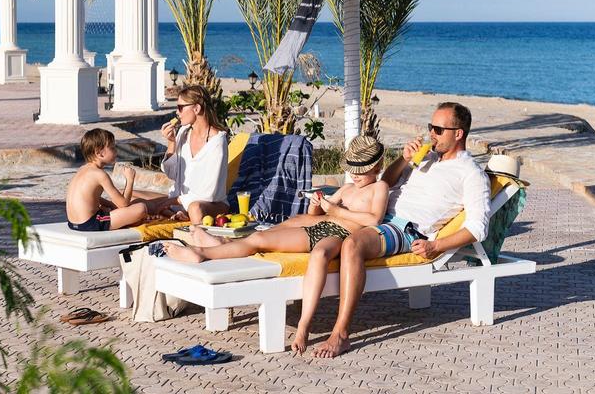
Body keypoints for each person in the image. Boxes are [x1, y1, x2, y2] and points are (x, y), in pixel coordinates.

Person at [163, 135, 389, 355]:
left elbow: (374, 219)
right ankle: (203, 252)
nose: (356, 174)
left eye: (362, 169)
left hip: (341, 234)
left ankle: (304, 326)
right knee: (259, 239)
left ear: (377, 166)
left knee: (320, 254)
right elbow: (318, 213)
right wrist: (317, 204)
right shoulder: (347, 189)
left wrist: (336, 211)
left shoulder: (379, 188)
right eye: (353, 169)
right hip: (319, 226)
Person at [313, 102, 491, 358]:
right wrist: (404, 159)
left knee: (352, 244)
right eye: (431, 127)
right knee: (310, 227)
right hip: (379, 213)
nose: (432, 133)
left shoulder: (471, 174)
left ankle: (340, 334)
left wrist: (436, 246)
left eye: (438, 129)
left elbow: (477, 228)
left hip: (404, 228)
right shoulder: (427, 159)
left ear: (459, 133)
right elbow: (384, 183)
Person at [65, 128, 172, 231]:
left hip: (73, 223)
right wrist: (130, 179)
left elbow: (89, 197)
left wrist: (110, 205)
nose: (116, 151)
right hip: (90, 223)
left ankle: (142, 215)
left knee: (130, 203)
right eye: (112, 148)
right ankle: (159, 210)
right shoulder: (100, 174)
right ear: (99, 153)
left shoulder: (82, 170)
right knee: (141, 208)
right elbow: (123, 204)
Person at [160, 85, 230, 224]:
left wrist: (172, 201)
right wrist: (171, 143)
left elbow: (209, 192)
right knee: (137, 199)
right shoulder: (183, 133)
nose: (177, 113)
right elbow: (172, 174)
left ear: (196, 109)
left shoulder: (217, 142)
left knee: (195, 208)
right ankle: (177, 213)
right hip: (179, 200)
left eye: (180, 107)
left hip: (208, 205)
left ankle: (196, 236)